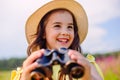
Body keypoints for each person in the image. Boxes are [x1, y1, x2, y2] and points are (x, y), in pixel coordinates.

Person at [11, 0, 104, 80]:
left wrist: (86, 76)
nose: (65, 32)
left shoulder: (85, 64)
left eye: (70, 27)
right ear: (43, 32)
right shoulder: (31, 67)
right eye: (57, 26)